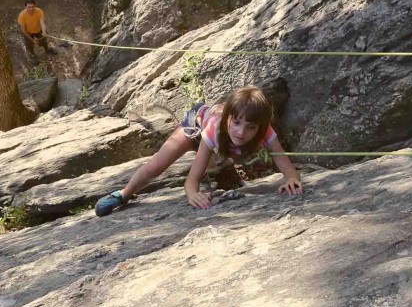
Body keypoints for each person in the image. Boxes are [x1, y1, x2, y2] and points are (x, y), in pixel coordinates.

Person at [95, 86, 303, 216]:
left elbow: (285, 164)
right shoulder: (214, 130)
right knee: (157, 165)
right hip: (195, 127)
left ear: (260, 127)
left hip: (222, 143)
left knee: (219, 161)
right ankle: (123, 194)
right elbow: (192, 180)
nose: (241, 132)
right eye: (237, 123)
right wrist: (193, 194)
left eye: (250, 127)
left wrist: (292, 180)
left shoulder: (265, 132)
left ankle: (222, 170)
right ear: (228, 119)